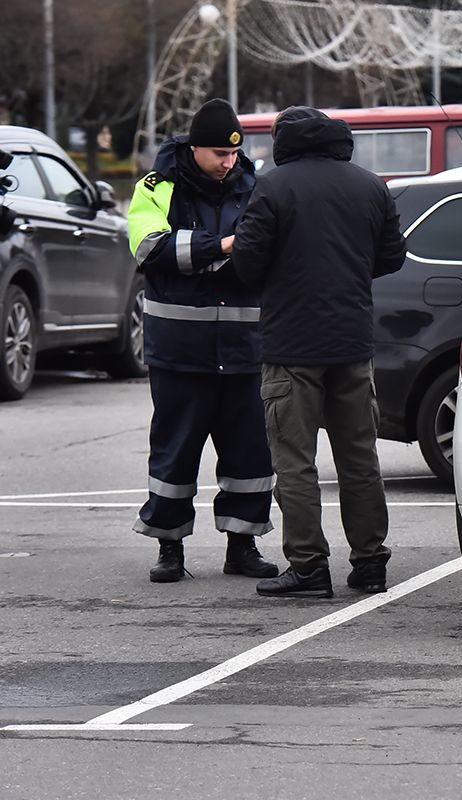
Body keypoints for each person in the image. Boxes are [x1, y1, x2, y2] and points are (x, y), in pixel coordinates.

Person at [233, 106, 407, 598]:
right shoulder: (371, 185)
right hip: (353, 341)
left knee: (295, 460)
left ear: (284, 141)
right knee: (359, 457)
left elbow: (247, 262)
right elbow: (392, 256)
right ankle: (371, 562)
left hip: (291, 344)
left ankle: (309, 566)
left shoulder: (272, 186)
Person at [126, 98, 279, 583]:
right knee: (174, 450)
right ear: (194, 149)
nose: (228, 162)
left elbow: (267, 254)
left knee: (250, 452)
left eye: (234, 154)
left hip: (244, 350)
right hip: (179, 351)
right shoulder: (156, 188)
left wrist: (199, 252)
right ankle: (169, 548)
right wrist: (226, 247)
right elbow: (150, 248)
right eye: (218, 153)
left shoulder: (258, 189)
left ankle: (243, 545)